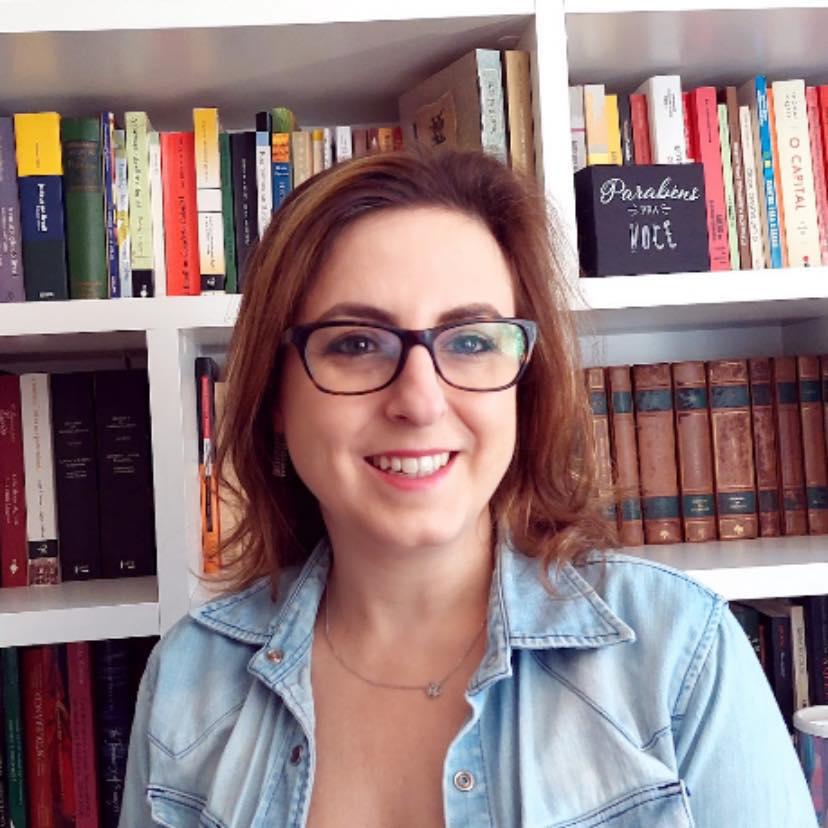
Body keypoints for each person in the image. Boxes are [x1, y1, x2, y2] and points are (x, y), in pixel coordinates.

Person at [120, 148, 816, 827]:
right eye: (356, 343)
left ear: (524, 386)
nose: (420, 402)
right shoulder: (188, 678)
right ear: (276, 393)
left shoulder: (680, 655)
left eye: (473, 341)